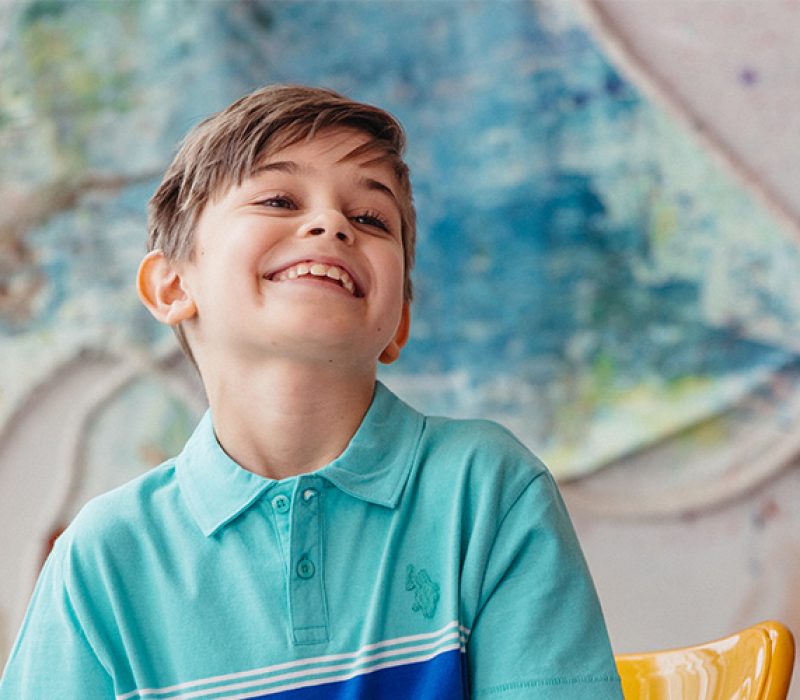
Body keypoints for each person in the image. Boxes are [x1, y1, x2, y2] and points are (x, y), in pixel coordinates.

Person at [0, 85, 623, 699]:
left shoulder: (487, 488)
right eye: (278, 200)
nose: (331, 225)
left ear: (399, 321)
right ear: (172, 286)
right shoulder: (104, 557)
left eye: (370, 218)